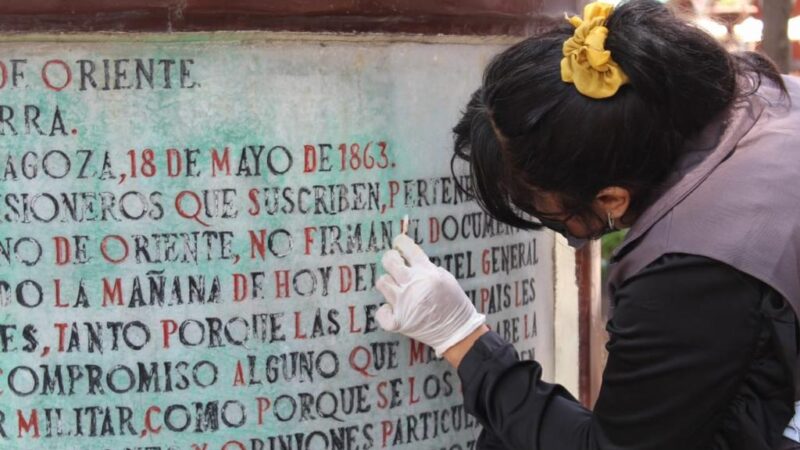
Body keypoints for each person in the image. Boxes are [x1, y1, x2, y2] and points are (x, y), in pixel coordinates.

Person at [373, 1, 800, 449]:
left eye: (540, 206)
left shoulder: (690, 271)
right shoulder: (745, 93)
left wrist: (462, 338)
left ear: (612, 197)